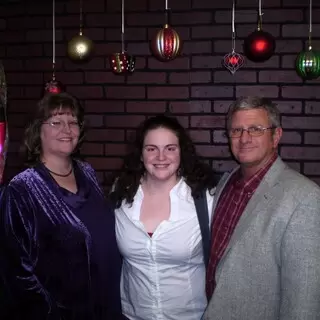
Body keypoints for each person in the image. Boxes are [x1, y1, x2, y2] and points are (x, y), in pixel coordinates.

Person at [0, 92, 122, 320]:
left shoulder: (87, 172)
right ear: (38, 131)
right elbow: (17, 272)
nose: (66, 130)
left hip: (107, 304)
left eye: (73, 122)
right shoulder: (21, 188)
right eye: (56, 122)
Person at [204, 96, 320, 320]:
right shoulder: (225, 185)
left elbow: (304, 301)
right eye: (237, 130)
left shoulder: (305, 198)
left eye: (255, 129)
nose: (244, 138)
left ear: (276, 136)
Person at [110, 115, 218, 320]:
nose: (161, 157)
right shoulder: (121, 194)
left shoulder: (205, 198)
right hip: (132, 315)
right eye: (151, 149)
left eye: (170, 148)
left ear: (181, 153)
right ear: (141, 155)